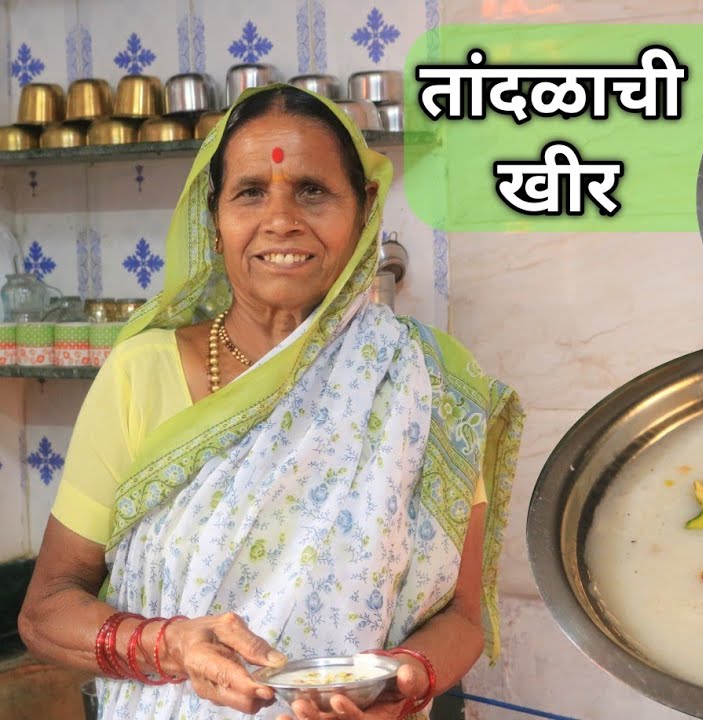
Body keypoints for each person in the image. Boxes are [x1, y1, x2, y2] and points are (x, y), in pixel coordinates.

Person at [17, 83, 523, 720]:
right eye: (251, 191)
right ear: (215, 213)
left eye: (311, 190)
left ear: (364, 208)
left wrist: (400, 687)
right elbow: (44, 612)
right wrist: (169, 645)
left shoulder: (428, 382)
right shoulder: (141, 375)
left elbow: (464, 620)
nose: (281, 220)